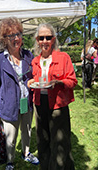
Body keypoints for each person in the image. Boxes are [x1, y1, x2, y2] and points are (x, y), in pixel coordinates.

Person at [0, 17, 39, 170]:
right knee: (10, 138)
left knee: (27, 131)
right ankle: (10, 161)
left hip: (27, 103)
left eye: (18, 34)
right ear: (4, 38)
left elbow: (34, 76)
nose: (16, 38)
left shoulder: (28, 55)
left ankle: (26, 153)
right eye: (11, 35)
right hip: (9, 105)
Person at [27, 23, 78, 170]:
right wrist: (30, 82)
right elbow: (34, 81)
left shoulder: (63, 57)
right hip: (39, 103)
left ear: (53, 39)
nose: (44, 41)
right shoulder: (35, 60)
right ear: (37, 40)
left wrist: (60, 82)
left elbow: (73, 81)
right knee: (42, 140)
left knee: (60, 142)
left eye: (48, 37)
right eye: (41, 38)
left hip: (58, 104)